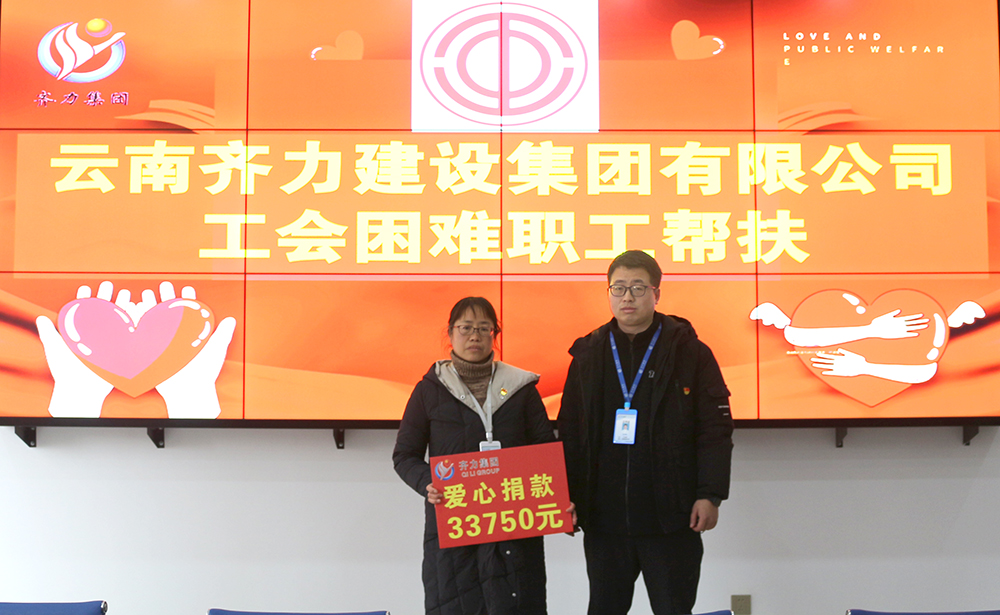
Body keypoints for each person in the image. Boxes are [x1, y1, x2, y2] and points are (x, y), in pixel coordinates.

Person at [557, 250, 734, 615]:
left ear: (657, 293)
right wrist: (566, 496)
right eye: (618, 287)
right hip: (604, 520)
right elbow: (570, 432)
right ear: (608, 293)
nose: (628, 297)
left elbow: (715, 430)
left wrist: (710, 494)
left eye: (638, 287)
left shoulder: (690, 352)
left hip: (671, 518)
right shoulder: (589, 354)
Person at [393, 297, 556, 615]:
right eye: (466, 328)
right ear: (450, 333)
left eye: (484, 328)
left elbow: (544, 452)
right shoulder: (429, 390)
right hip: (454, 523)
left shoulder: (520, 388)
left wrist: (558, 498)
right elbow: (405, 455)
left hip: (513, 523)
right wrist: (427, 483)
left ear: (495, 334)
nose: (474, 336)